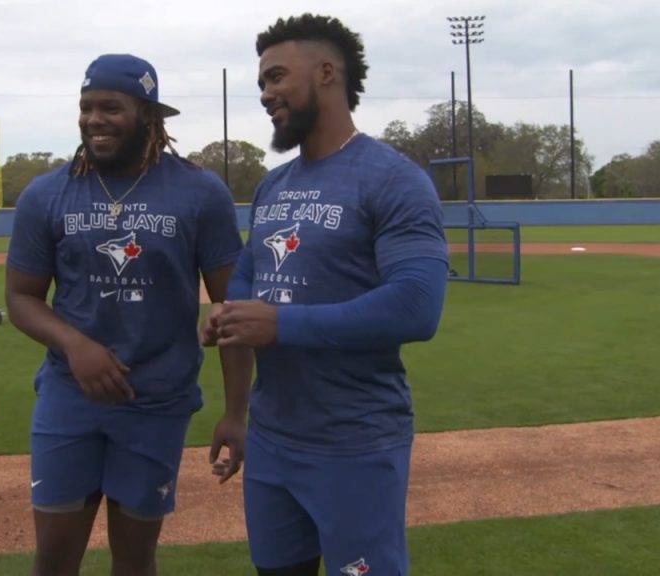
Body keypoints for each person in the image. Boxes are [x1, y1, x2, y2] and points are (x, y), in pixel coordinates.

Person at [204, 13, 449, 576]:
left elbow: (418, 305)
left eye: (277, 77)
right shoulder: (273, 184)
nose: (266, 94)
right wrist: (226, 317)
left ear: (327, 73)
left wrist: (280, 325)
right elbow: (248, 276)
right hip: (271, 439)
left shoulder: (392, 178)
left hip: (355, 444)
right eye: (262, 82)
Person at [5, 53, 250, 576]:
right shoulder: (48, 193)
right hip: (70, 396)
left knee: (135, 559)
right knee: (53, 558)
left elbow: (233, 312)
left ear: (147, 115)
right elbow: (21, 298)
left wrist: (235, 412)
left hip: (155, 402)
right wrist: (75, 346)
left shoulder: (199, 192)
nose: (94, 119)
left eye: (111, 107)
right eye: (86, 107)